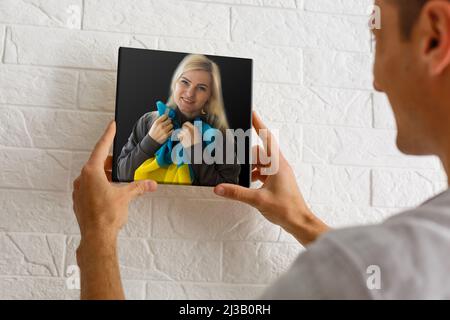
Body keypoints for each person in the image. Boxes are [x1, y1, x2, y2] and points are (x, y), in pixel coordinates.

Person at [72, 0, 450, 299]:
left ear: (435, 36)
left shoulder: (217, 138)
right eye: (183, 82)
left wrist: (97, 235)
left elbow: (368, 279)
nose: (376, 81)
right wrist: (299, 219)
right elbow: (123, 164)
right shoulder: (145, 122)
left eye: (376, 39)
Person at [116, 54, 241, 186]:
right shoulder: (148, 121)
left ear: (210, 96)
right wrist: (149, 142)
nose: (189, 93)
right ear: (174, 83)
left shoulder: (219, 134)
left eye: (201, 88)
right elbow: (121, 174)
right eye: (185, 82)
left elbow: (228, 189)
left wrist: (196, 153)